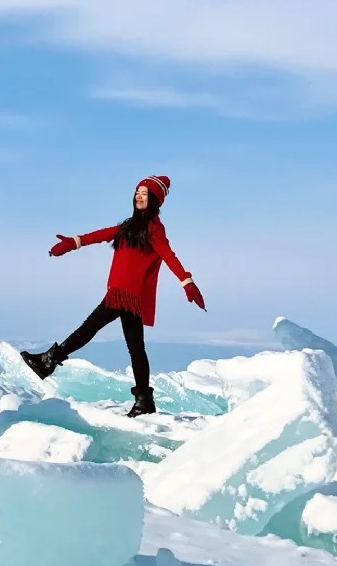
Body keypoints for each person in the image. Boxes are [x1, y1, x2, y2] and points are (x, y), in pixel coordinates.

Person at [20, 174, 205, 417]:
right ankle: (144, 401)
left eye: (145, 193)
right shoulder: (129, 226)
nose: (139, 196)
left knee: (90, 327)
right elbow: (101, 234)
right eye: (138, 192)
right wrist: (72, 243)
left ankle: (48, 361)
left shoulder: (154, 229)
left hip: (125, 295)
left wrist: (186, 280)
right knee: (136, 348)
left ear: (155, 200)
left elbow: (169, 255)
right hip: (126, 296)